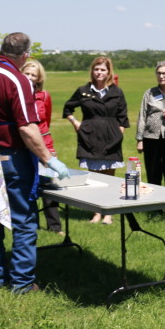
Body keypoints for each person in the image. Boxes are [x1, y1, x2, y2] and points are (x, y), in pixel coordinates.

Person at [0, 33, 68, 294]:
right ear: (25, 55)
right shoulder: (18, 79)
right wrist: (49, 160)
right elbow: (26, 127)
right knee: (24, 221)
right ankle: (23, 283)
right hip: (8, 158)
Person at [63, 57, 130, 225]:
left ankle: (108, 213)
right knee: (93, 180)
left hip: (111, 139)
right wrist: (76, 123)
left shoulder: (117, 92)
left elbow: (123, 118)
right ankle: (96, 213)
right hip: (89, 137)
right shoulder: (83, 90)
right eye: (97, 69)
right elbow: (67, 108)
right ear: (92, 71)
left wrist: (118, 134)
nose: (99, 73)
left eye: (103, 70)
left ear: (109, 72)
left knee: (110, 178)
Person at [21, 59, 61, 234]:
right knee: (28, 185)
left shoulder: (44, 96)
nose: (29, 78)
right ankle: (32, 224)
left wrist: (49, 147)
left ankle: (55, 227)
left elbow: (47, 121)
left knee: (49, 184)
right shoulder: (17, 96)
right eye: (27, 74)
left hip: (45, 145)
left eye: (33, 75)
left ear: (39, 79)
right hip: (23, 146)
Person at [135, 61, 165, 188]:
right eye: (159, 73)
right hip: (151, 138)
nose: (162, 76)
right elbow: (142, 116)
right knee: (153, 171)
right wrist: (140, 139)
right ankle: (156, 205)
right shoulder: (149, 93)